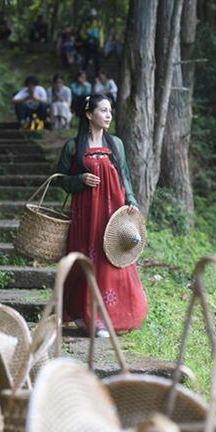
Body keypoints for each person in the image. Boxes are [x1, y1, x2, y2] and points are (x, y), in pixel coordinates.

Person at [56, 94, 148, 335]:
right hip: (85, 213)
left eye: (110, 111)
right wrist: (79, 179)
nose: (108, 115)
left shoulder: (115, 144)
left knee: (112, 260)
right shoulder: (73, 146)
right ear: (89, 114)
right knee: (86, 259)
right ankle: (83, 313)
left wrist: (131, 200)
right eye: (103, 110)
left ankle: (109, 317)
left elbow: (125, 176)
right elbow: (60, 179)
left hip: (113, 211)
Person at [77, 8, 103, 74]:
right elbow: (81, 32)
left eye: (93, 16)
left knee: (97, 58)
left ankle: (97, 72)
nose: (92, 17)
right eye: (91, 16)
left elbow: (101, 33)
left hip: (96, 42)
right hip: (88, 41)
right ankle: (83, 70)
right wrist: (86, 38)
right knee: (87, 56)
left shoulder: (98, 23)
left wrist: (101, 43)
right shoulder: (86, 23)